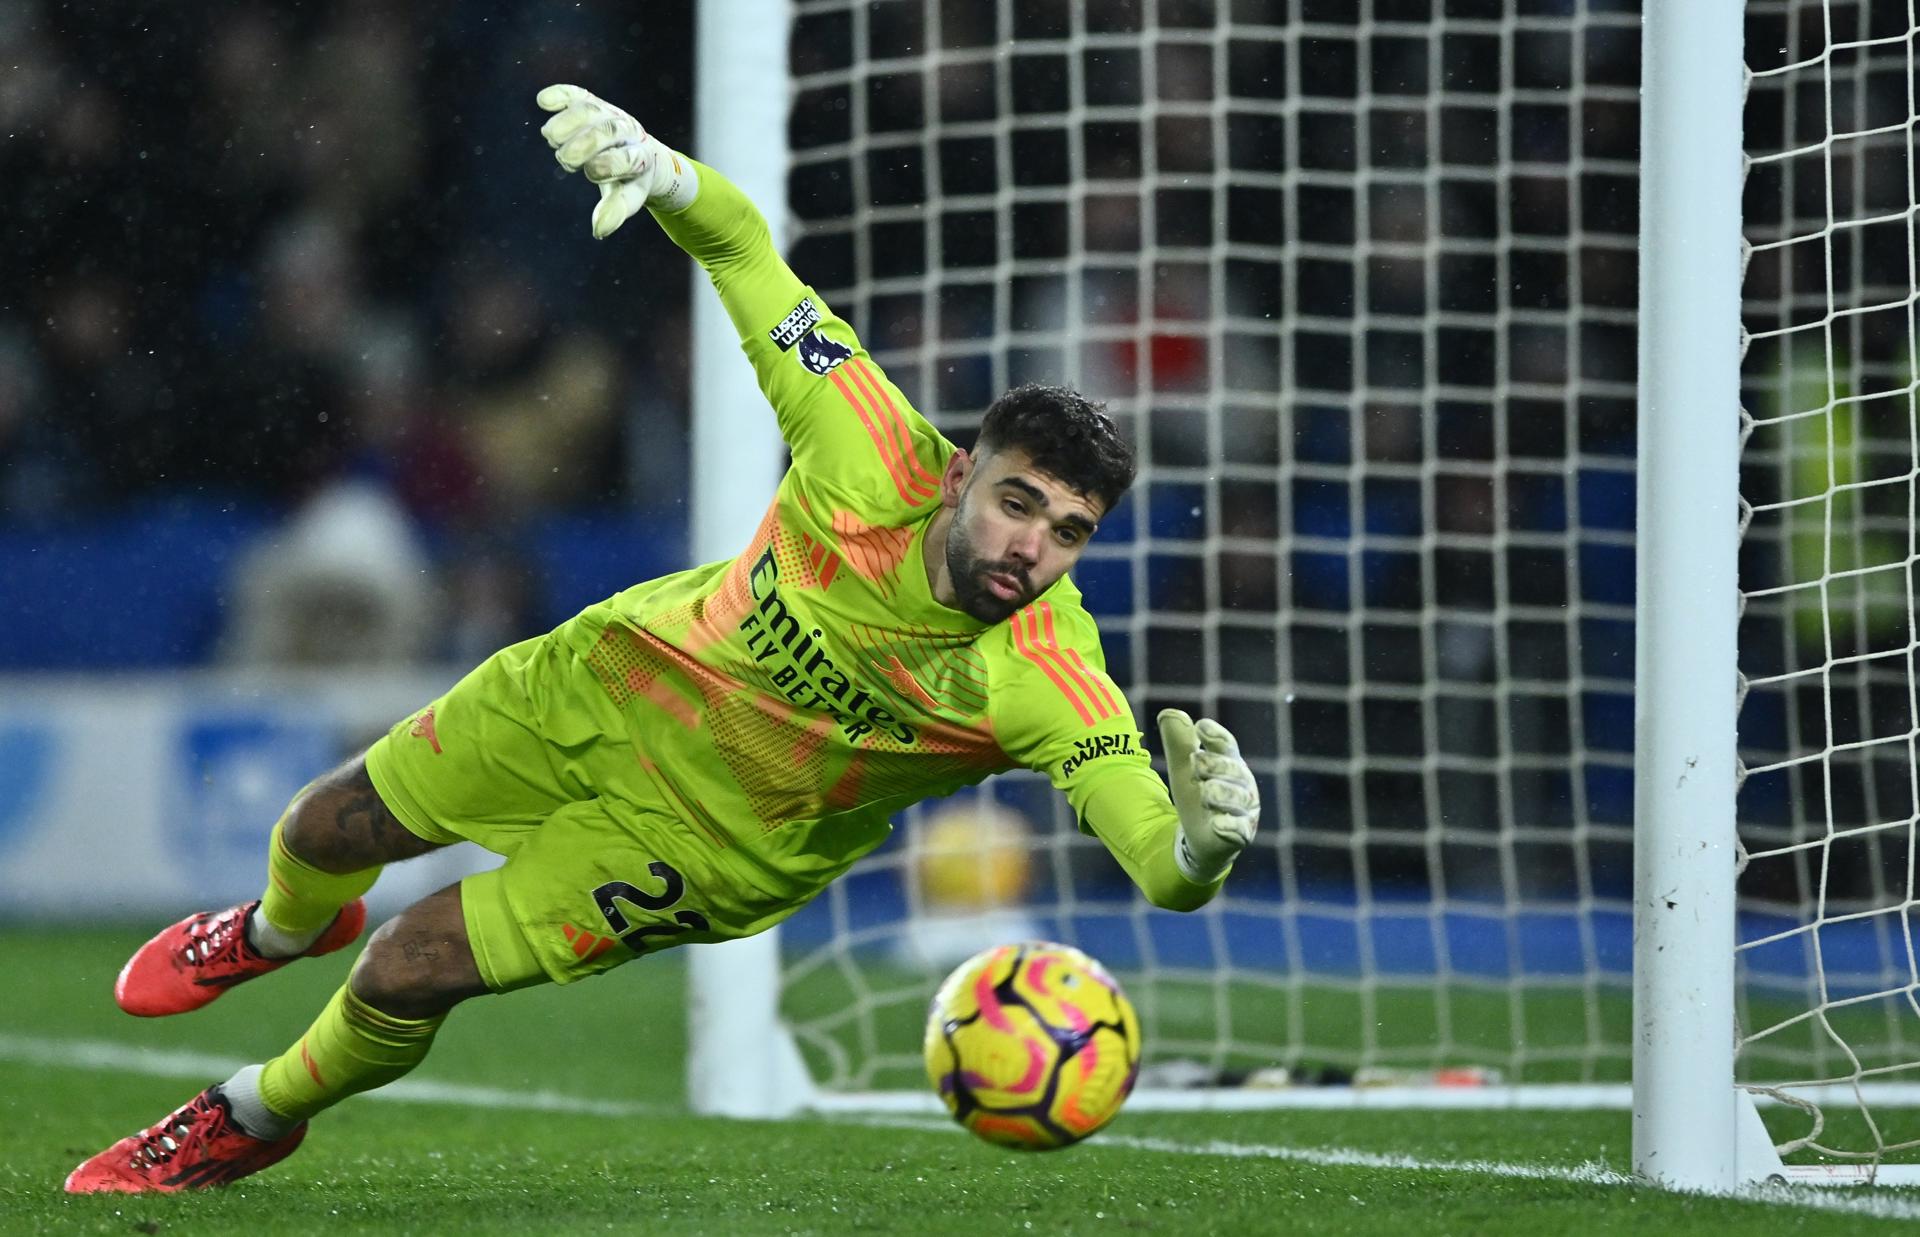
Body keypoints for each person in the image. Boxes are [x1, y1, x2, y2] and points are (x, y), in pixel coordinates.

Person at [65, 85, 1262, 1194]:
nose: (1032, 547)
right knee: (324, 825)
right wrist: (664, 172)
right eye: (1018, 502)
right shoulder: (863, 444)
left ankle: (249, 1114)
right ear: (959, 476)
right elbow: (743, 250)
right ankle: (280, 924)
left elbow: (1158, 864)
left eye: (1069, 531)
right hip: (605, 679)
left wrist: (1201, 850)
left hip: (706, 839)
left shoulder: (1046, 678)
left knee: (409, 962)